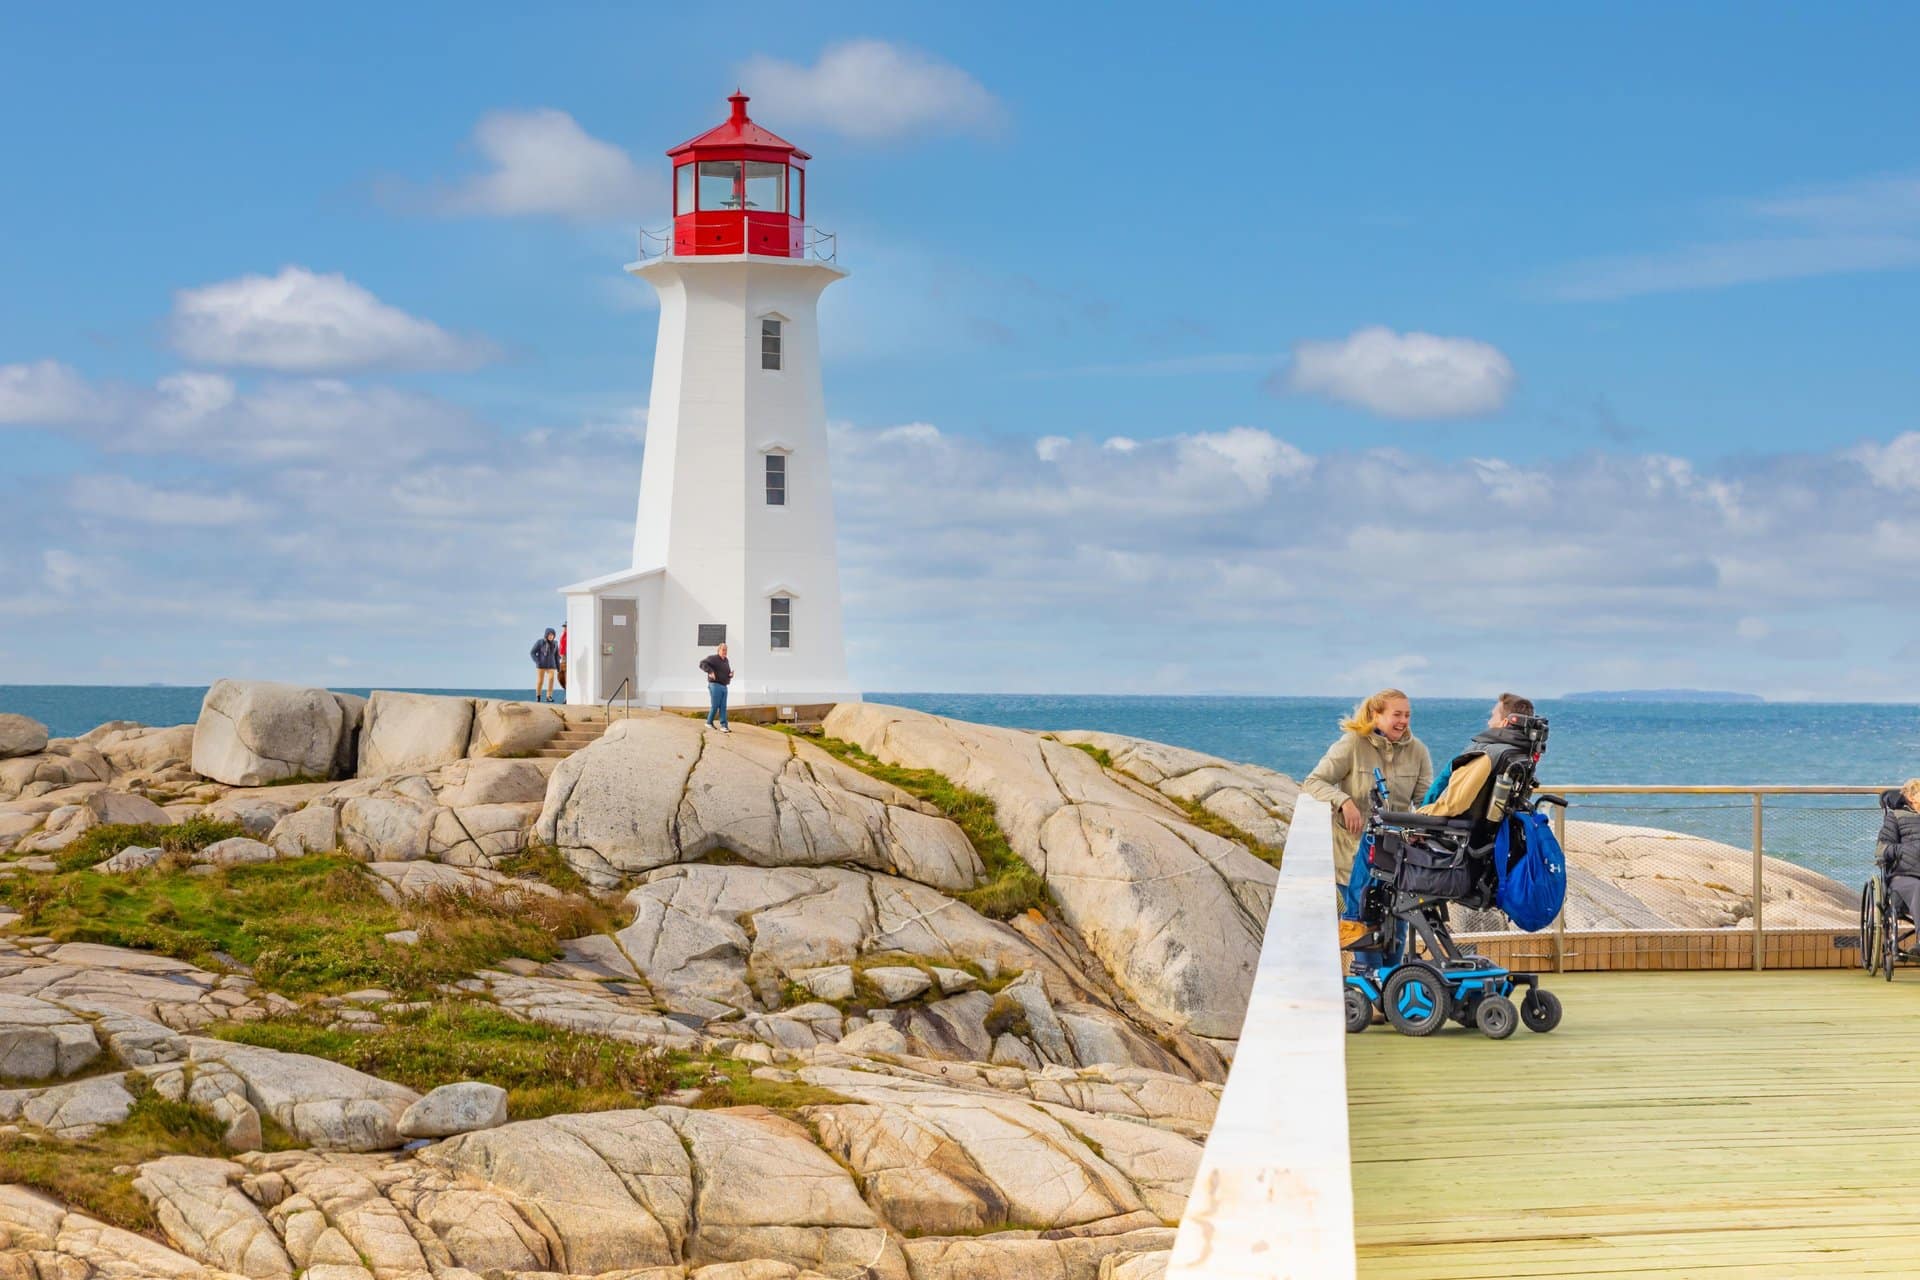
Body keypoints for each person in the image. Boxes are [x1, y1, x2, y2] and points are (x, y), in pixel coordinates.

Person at [1302, 689, 1432, 895]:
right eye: (1397, 714)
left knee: (1395, 916)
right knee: (1356, 914)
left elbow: (1425, 800)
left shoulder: (1419, 751)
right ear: (1376, 715)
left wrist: (1423, 827)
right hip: (1352, 858)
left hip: (1397, 860)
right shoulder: (1352, 743)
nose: (1403, 721)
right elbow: (1314, 781)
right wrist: (1344, 801)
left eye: (1407, 715)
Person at [1417, 693, 1537, 820]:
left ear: (1504, 723)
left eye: (1493, 716)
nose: (1489, 722)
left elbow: (1453, 805)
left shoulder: (1487, 756)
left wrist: (1418, 814)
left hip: (1453, 827)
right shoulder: (1519, 755)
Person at [1877, 780, 1920, 956]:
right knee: (1918, 888)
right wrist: (1905, 850)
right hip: (1904, 875)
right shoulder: (1896, 816)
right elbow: (1881, 849)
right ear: (1911, 797)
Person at [699, 642, 733, 732]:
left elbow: (726, 672)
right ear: (718, 650)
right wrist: (710, 671)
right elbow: (702, 663)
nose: (725, 651)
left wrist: (730, 675)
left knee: (723, 707)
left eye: (726, 650)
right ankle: (709, 722)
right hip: (715, 685)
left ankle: (724, 726)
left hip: (724, 686)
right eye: (723, 650)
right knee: (715, 705)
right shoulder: (713, 658)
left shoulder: (726, 661)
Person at [530, 628, 561, 703]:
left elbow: (557, 656)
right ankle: (538, 696)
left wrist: (558, 667)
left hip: (551, 665)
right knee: (540, 681)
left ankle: (548, 696)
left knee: (551, 679)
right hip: (541, 665)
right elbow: (532, 652)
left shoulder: (555, 643)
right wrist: (537, 661)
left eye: (552, 635)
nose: (551, 636)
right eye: (549, 635)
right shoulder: (540, 642)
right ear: (546, 635)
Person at [557, 623, 568, 694]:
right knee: (560, 675)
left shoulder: (569, 636)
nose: (564, 628)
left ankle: (567, 695)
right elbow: (561, 646)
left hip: (567, 657)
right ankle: (565, 689)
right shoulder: (563, 635)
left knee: (566, 676)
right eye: (564, 627)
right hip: (563, 657)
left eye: (566, 627)